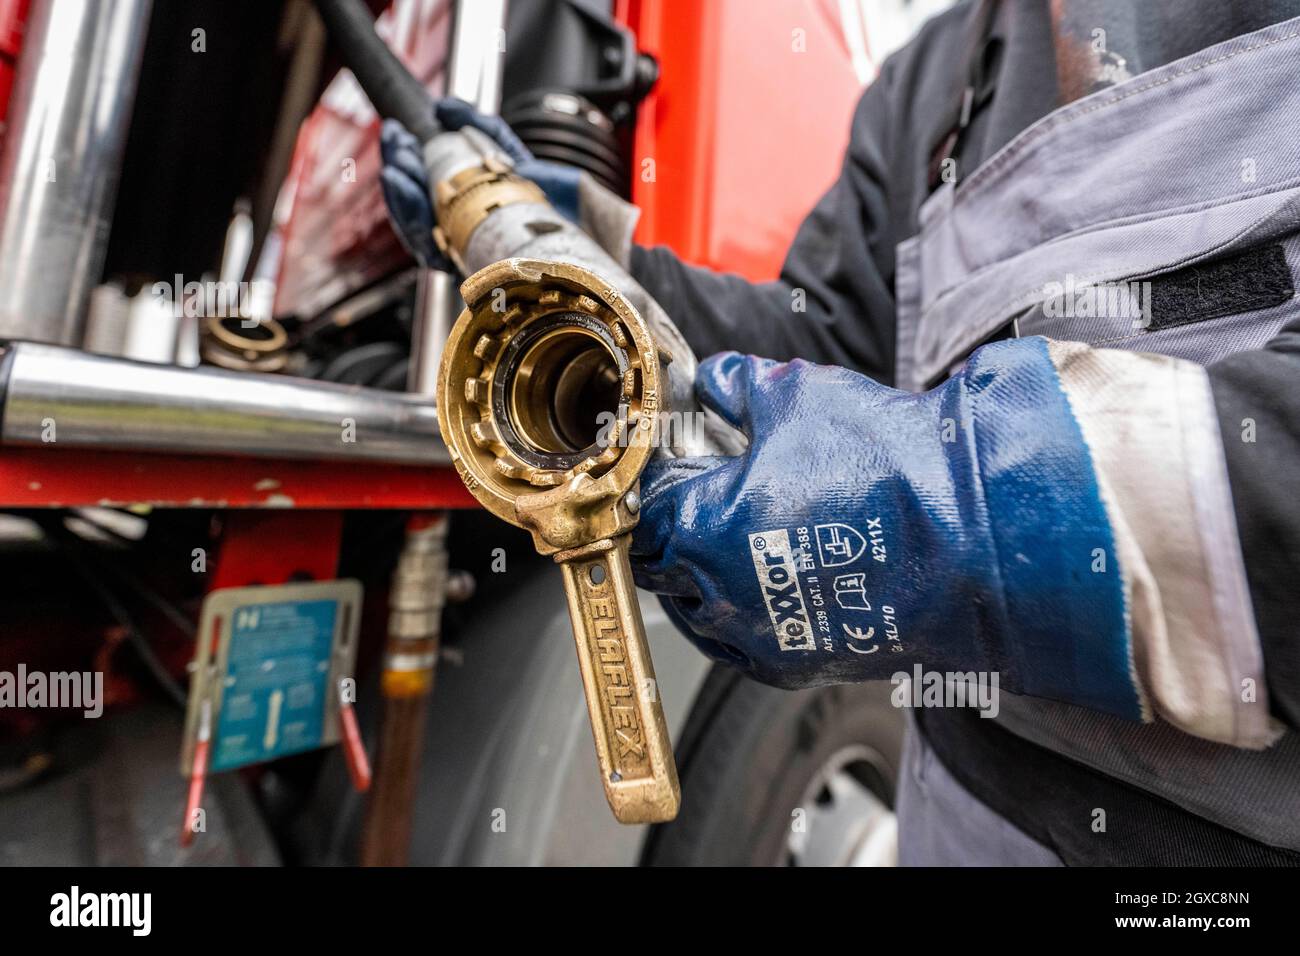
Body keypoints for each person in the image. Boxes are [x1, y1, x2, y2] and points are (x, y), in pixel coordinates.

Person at [381, 0, 1300, 864]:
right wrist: (561, 240)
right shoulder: (939, 78)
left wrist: (960, 510)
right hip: (953, 816)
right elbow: (829, 342)